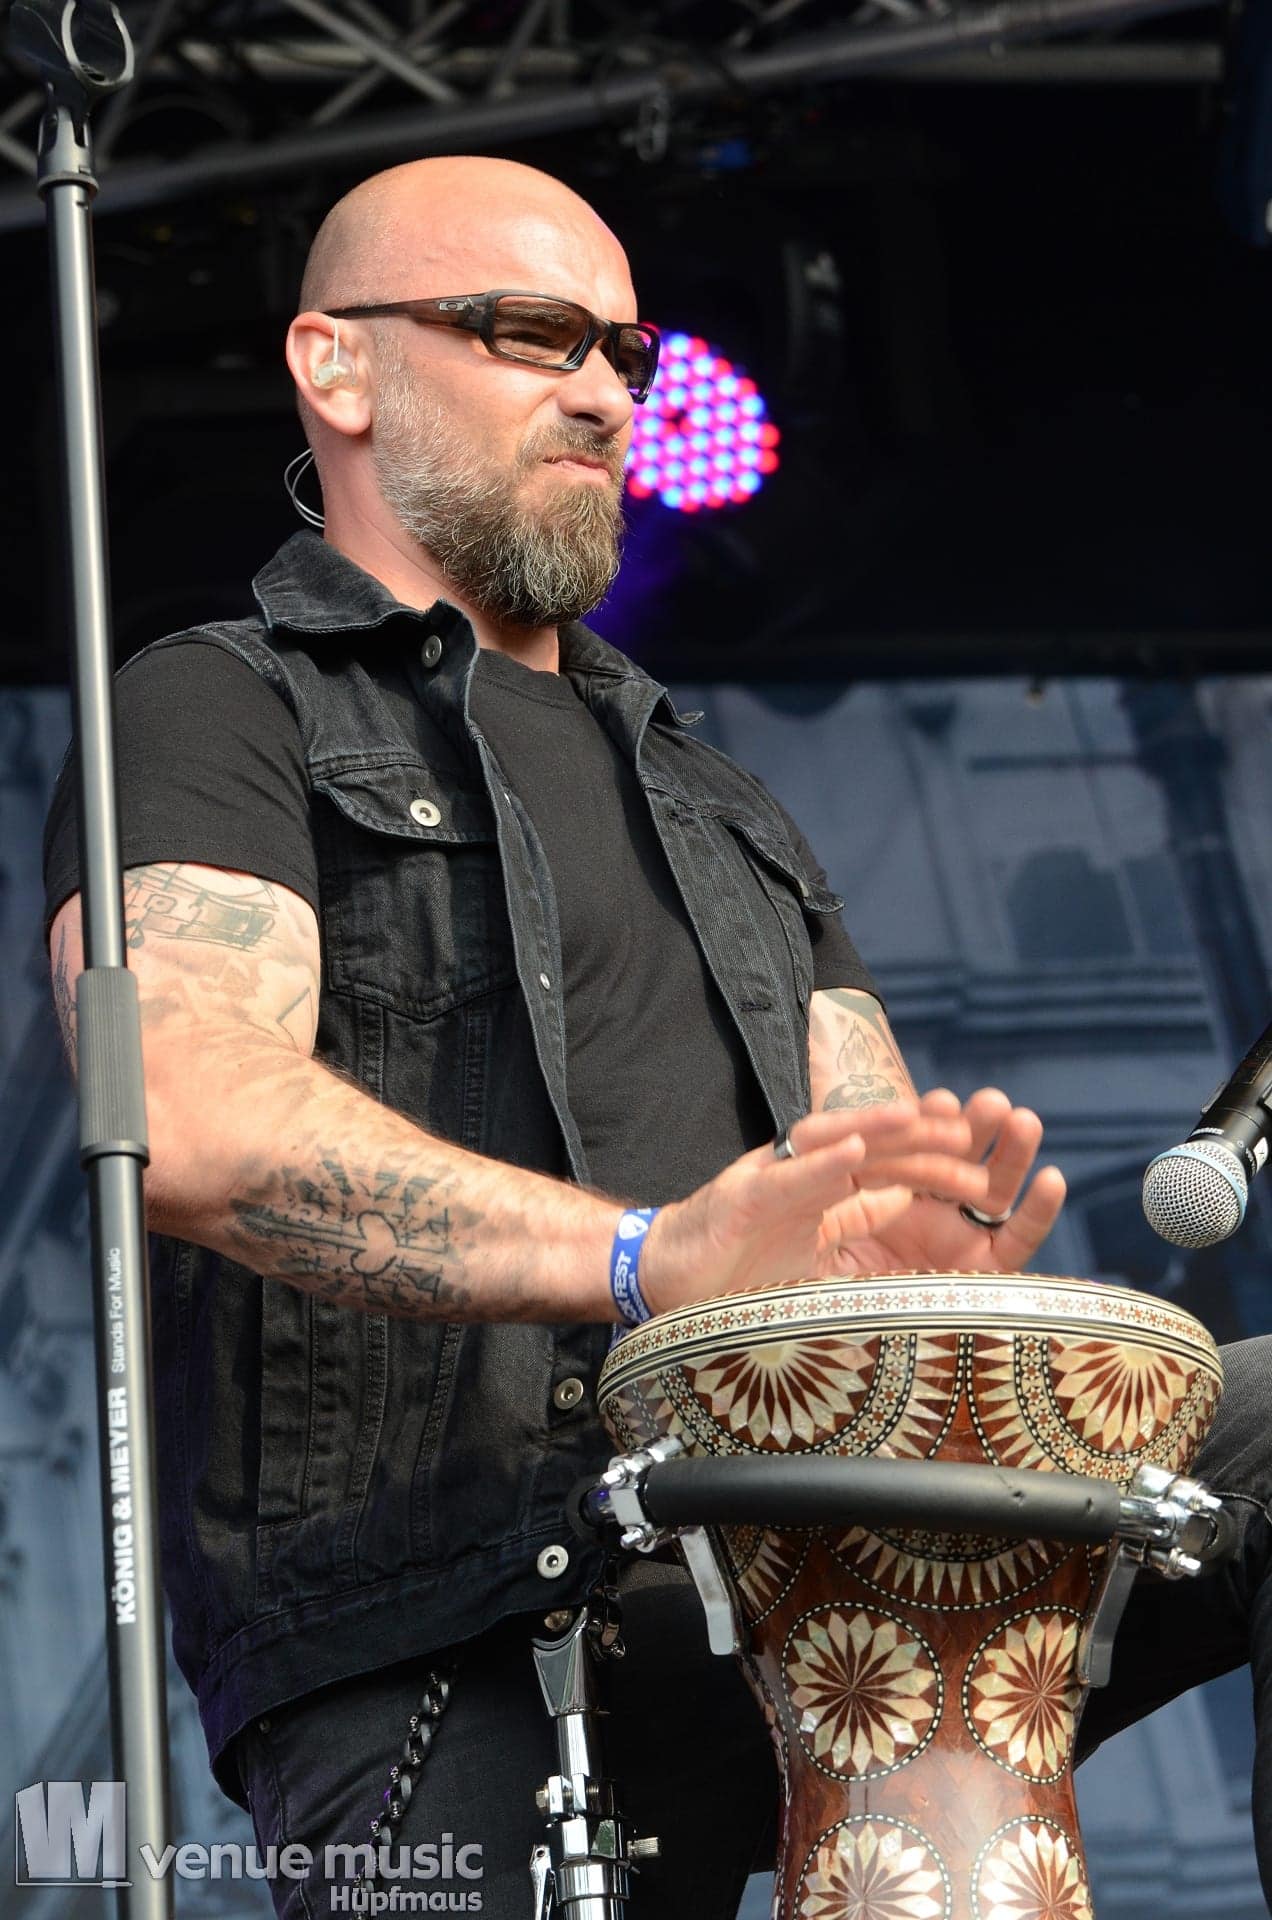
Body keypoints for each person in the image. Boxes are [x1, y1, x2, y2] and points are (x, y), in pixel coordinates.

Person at [42, 155, 1270, 1919]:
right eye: (533, 333)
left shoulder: (723, 802)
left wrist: (915, 1277)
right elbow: (182, 1106)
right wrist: (648, 1258)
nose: (612, 394)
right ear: (338, 366)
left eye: (625, 349)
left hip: (812, 1541)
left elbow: (860, 1198)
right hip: (463, 1626)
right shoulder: (220, 705)